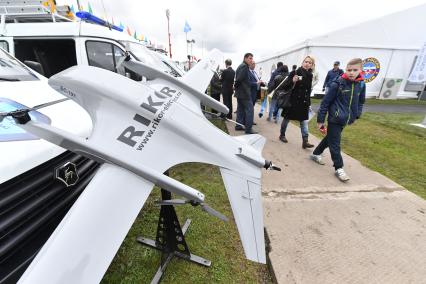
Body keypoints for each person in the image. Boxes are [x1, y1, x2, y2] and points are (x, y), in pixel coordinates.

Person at [310, 58, 366, 182]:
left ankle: (315, 153)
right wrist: (320, 120)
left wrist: (356, 115)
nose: (351, 72)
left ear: (361, 70)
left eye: (355, 70)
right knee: (335, 144)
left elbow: (361, 101)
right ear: (345, 69)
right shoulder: (338, 83)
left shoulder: (361, 84)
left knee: (330, 138)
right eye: (349, 70)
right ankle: (339, 168)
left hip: (346, 119)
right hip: (335, 118)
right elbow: (325, 103)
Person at [279, 56, 315, 149]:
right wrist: (292, 81)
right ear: (302, 62)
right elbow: (285, 85)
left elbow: (308, 90)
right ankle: (282, 135)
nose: (307, 64)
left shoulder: (310, 75)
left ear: (312, 65)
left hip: (303, 102)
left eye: (309, 62)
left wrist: (308, 102)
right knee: (287, 118)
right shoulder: (295, 72)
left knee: (304, 121)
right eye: (306, 61)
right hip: (293, 100)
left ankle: (305, 141)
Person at [235, 53, 256, 134]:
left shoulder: (241, 65)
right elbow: (239, 79)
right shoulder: (244, 66)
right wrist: (236, 86)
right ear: (245, 58)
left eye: (252, 58)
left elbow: (239, 80)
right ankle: (248, 129)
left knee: (240, 110)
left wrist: (236, 88)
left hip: (240, 93)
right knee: (250, 110)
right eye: (250, 58)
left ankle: (238, 126)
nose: (251, 60)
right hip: (244, 93)